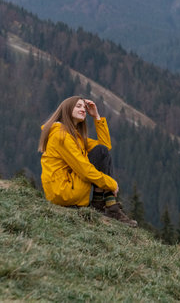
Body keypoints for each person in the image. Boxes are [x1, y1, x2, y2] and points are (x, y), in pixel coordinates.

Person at [38, 95, 137, 227]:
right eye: (78, 106)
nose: (83, 109)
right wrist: (111, 184)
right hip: (64, 192)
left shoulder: (73, 136)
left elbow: (105, 148)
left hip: (66, 190)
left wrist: (96, 117)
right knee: (95, 160)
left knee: (100, 151)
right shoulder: (61, 136)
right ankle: (110, 207)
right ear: (67, 109)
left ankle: (100, 205)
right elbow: (84, 171)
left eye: (84, 107)